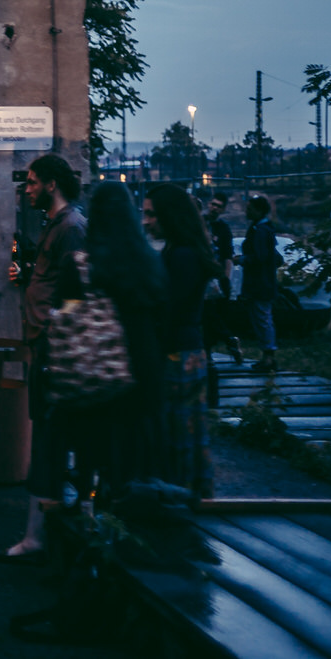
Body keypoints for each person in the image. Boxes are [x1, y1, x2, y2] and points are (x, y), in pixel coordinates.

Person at [0, 153, 86, 561]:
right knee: (46, 437)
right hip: (42, 341)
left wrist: (52, 320)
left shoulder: (72, 228)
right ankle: (40, 533)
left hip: (53, 345)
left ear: (51, 184)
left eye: (31, 183)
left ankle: (43, 537)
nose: (26, 189)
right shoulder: (57, 226)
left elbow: (78, 292)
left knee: (50, 439)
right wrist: (30, 276)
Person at [65, 183, 165, 499]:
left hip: (95, 373)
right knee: (133, 458)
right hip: (143, 371)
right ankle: (130, 526)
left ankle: (91, 520)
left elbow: (66, 319)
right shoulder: (149, 262)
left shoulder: (80, 265)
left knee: (90, 458)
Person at [145, 184, 219, 499]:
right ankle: (191, 495)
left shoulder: (182, 256)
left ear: (168, 216)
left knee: (178, 431)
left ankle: (181, 499)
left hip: (178, 353)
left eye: (150, 214)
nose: (146, 221)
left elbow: (170, 310)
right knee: (188, 431)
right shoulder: (184, 250)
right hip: (187, 350)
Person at [240, 194, 281, 372]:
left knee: (262, 319)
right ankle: (267, 356)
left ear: (258, 210)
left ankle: (268, 357)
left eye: (249, 209)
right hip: (265, 283)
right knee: (263, 318)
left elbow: (260, 257)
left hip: (260, 284)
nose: (246, 211)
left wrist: (241, 259)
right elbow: (275, 258)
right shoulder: (265, 229)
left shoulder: (260, 231)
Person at [205, 192, 243, 364]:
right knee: (209, 315)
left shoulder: (223, 229)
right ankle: (226, 341)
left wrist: (225, 279)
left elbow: (228, 256)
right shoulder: (202, 223)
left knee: (211, 314)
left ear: (223, 210)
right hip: (203, 276)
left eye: (218, 206)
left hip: (216, 277)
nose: (214, 208)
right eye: (213, 204)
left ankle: (217, 346)